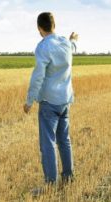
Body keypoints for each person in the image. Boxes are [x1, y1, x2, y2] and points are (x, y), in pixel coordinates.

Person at [24, 12, 78, 185]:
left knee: (48, 143)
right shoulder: (65, 44)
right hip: (65, 100)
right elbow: (73, 47)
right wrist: (74, 39)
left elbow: (38, 76)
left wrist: (29, 100)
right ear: (54, 25)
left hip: (49, 102)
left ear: (39, 28)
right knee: (64, 140)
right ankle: (68, 177)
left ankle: (50, 184)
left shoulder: (43, 47)